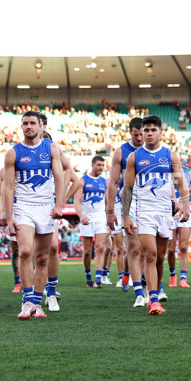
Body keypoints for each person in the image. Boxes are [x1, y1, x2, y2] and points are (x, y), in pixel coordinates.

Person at [123, 115, 188, 315]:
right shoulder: (134, 157)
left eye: (153, 130)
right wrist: (126, 216)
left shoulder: (171, 155)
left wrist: (184, 205)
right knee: (149, 254)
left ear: (161, 132)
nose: (149, 133)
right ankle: (153, 300)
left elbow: (181, 183)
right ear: (141, 133)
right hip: (145, 212)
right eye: (146, 130)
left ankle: (156, 290)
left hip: (164, 212)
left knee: (160, 257)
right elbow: (127, 188)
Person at [2, 111, 64, 319]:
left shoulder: (51, 148)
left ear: (41, 126)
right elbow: (8, 187)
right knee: (26, 251)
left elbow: (60, 179)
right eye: (25, 123)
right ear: (21, 127)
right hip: (24, 208)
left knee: (43, 258)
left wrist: (59, 205)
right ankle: (27, 301)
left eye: (32, 123)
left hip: (45, 207)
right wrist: (8, 215)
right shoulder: (13, 153)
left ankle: (37, 304)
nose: (28, 126)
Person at [106, 118, 144, 298]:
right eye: (135, 135)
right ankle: (139, 287)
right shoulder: (121, 152)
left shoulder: (153, 150)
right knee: (134, 248)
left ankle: (136, 278)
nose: (139, 138)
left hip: (150, 203)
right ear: (130, 133)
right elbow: (113, 183)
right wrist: (110, 211)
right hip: (128, 202)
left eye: (141, 134)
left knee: (147, 249)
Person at [75, 156, 108, 288]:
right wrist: (81, 215)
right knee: (87, 251)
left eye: (102, 165)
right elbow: (77, 201)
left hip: (100, 217)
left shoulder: (104, 182)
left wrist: (109, 220)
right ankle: (88, 276)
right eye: (99, 165)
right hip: (87, 218)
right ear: (93, 165)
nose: (101, 168)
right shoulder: (83, 180)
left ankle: (98, 279)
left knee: (100, 247)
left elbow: (106, 202)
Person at [167, 168, 191, 288]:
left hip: (185, 212)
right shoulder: (166, 174)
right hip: (170, 213)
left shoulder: (189, 176)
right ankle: (172, 276)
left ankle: (183, 278)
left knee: (183, 246)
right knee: (171, 249)